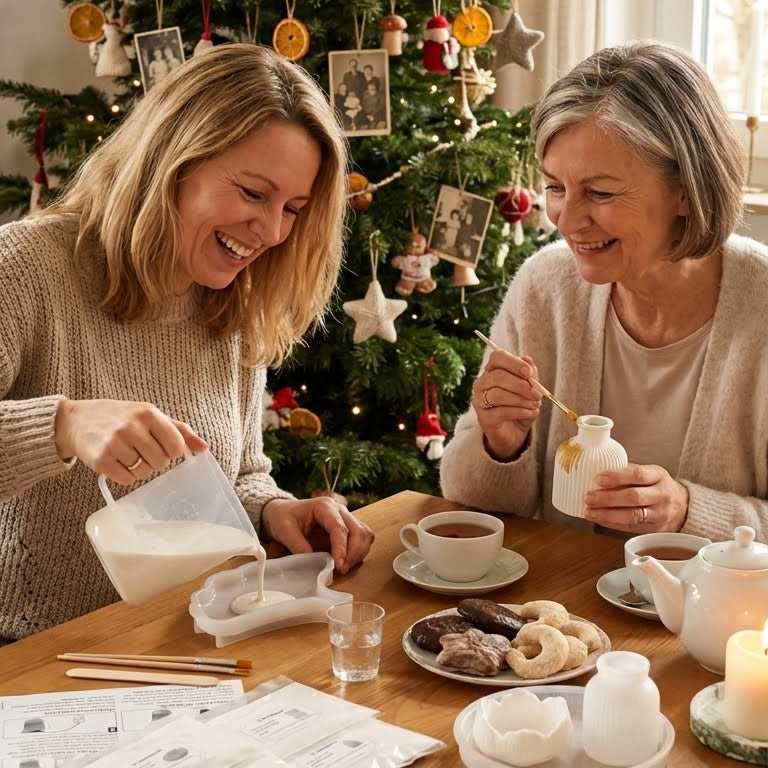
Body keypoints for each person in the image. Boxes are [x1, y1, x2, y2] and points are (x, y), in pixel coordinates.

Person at [0, 44, 374, 640]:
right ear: (171, 161)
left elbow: (242, 470)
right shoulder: (26, 267)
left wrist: (273, 511)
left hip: (185, 640)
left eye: (293, 209)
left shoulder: (233, 299)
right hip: (34, 655)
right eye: (254, 193)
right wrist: (61, 426)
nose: (273, 231)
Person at [440, 41, 768, 543]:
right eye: (555, 187)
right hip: (560, 610)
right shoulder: (545, 288)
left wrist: (686, 511)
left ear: (685, 187)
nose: (568, 221)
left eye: (600, 192)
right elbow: (475, 508)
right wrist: (499, 446)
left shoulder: (760, 307)